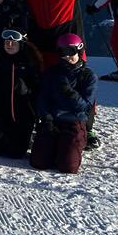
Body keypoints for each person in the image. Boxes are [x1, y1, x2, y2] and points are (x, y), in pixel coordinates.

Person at [31, 34, 97, 174]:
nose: (67, 56)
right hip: (53, 121)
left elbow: (84, 106)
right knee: (38, 162)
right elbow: (43, 97)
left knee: (68, 167)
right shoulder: (52, 72)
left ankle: (75, 142)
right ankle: (56, 147)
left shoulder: (88, 76)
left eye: (70, 51)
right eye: (62, 52)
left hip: (74, 121)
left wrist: (68, 92)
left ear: (79, 50)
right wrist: (46, 117)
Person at [0, 29, 42, 158]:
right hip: (0, 112)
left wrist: (32, 109)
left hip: (22, 113)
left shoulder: (30, 62)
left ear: (21, 44)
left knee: (16, 153)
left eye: (13, 42)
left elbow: (37, 87)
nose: (9, 45)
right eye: (7, 42)